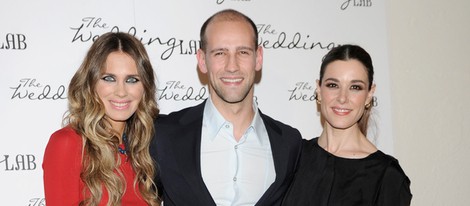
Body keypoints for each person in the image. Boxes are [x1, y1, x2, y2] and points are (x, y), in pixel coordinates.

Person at [150, 9, 302, 206]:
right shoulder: (163, 135)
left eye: (243, 52)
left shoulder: (289, 143)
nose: (232, 66)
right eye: (220, 53)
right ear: (202, 60)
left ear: (259, 57)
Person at [282, 44, 412, 206]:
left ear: (369, 95)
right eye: (333, 85)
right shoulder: (293, 157)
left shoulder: (387, 176)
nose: (342, 98)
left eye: (355, 87)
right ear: (319, 90)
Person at [43, 32, 160, 206]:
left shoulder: (145, 149)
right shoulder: (68, 143)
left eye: (132, 80)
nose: (121, 91)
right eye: (109, 78)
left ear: (145, 87)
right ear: (91, 83)